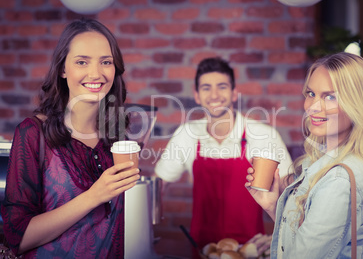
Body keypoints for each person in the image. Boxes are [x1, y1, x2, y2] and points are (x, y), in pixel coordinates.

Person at [0, 18, 140, 258]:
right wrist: (94, 196)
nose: (95, 73)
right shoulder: (33, 134)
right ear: (63, 69)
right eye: (82, 62)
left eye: (105, 62)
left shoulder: (117, 138)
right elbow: (18, 238)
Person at [246, 52, 363, 258]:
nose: (313, 107)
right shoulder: (324, 160)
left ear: (357, 105)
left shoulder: (339, 180)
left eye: (330, 97)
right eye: (311, 94)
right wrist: (274, 206)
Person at [154, 57, 293, 256]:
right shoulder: (186, 134)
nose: (214, 95)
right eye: (206, 88)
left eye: (222, 86)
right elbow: (159, 186)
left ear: (234, 93)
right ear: (197, 95)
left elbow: (290, 194)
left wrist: (280, 235)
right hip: (202, 250)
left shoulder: (263, 135)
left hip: (249, 251)